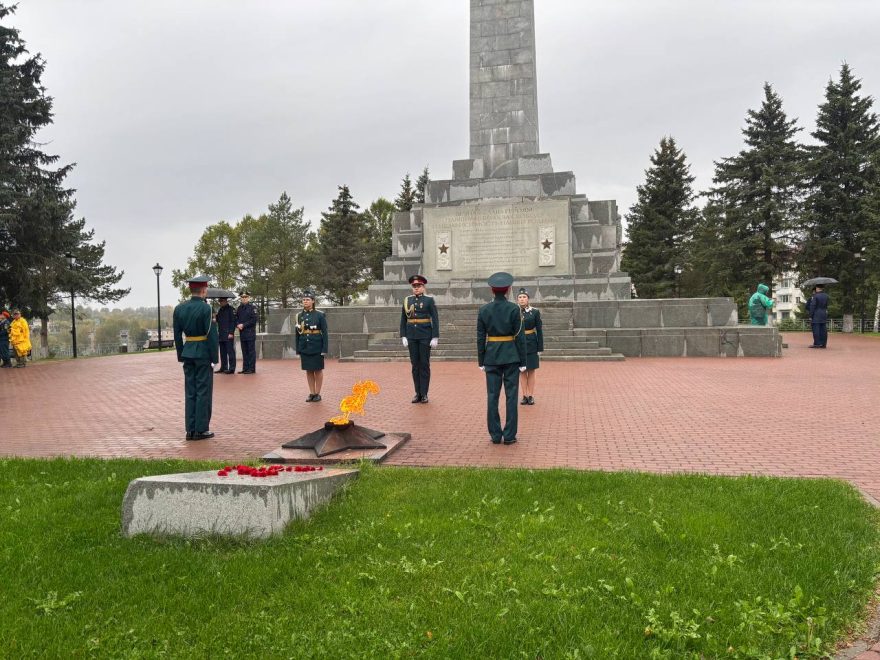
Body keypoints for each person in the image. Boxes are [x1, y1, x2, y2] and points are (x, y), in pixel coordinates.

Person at [477, 272, 527, 445]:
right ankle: (510, 435)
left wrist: (481, 360)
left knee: (492, 396)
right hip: (511, 356)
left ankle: (495, 435)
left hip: (491, 356)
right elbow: (520, 337)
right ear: (508, 290)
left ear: (492, 290)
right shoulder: (514, 309)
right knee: (511, 396)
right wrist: (523, 361)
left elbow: (480, 337)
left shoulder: (484, 310)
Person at [172, 276, 219, 440]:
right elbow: (211, 335)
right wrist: (215, 358)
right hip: (203, 354)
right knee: (203, 391)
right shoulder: (206, 309)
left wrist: (181, 354)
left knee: (190, 391)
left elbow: (177, 335)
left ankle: (190, 429)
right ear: (204, 290)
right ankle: (201, 429)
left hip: (188, 352)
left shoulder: (179, 308)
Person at [400, 274, 439, 403]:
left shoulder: (429, 300)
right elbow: (403, 319)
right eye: (414, 286)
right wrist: (403, 335)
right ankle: (417, 393)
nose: (416, 288)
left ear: (423, 287)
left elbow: (435, 319)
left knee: (424, 365)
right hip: (411, 336)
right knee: (415, 365)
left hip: (424, 336)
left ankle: (424, 394)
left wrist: (435, 336)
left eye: (419, 286)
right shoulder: (407, 300)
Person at [295, 290, 328, 402]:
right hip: (305, 346)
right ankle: (312, 393)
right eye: (304, 299)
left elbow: (325, 333)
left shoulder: (320, 315)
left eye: (308, 299)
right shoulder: (299, 316)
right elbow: (297, 334)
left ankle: (318, 393)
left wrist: (325, 349)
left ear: (313, 301)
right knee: (308, 370)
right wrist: (298, 349)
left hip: (317, 346)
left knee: (318, 370)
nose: (305, 301)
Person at [516, 288, 543, 405]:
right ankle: (524, 395)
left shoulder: (535, 312)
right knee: (522, 371)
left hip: (531, 342)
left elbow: (539, 330)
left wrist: (540, 347)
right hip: (518, 344)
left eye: (524, 297)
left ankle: (531, 395)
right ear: (517, 300)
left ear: (528, 299)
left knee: (531, 370)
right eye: (520, 297)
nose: (522, 299)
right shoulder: (514, 311)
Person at [235, 291, 258, 374]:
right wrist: (237, 324)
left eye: (246, 297)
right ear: (241, 298)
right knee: (244, 351)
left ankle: (251, 369)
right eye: (242, 297)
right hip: (242, 333)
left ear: (248, 298)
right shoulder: (239, 308)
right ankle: (245, 368)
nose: (244, 299)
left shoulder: (252, 308)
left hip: (250, 333)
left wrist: (243, 325)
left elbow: (254, 320)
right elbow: (236, 318)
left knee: (251, 351)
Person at [215, 297, 236, 374]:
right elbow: (218, 320)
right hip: (221, 334)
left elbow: (233, 321)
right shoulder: (220, 310)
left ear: (226, 301)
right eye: (220, 301)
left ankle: (232, 368)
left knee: (230, 352)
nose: (221, 303)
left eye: (222, 301)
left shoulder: (231, 309)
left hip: (228, 334)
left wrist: (231, 333)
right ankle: (223, 367)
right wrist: (215, 316)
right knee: (223, 352)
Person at [806, 284, 829, 348]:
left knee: (816, 329)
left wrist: (810, 316)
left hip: (816, 315)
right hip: (823, 314)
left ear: (817, 288)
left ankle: (817, 344)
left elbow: (813, 306)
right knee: (823, 330)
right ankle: (823, 344)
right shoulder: (826, 296)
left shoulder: (815, 296)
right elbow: (826, 306)